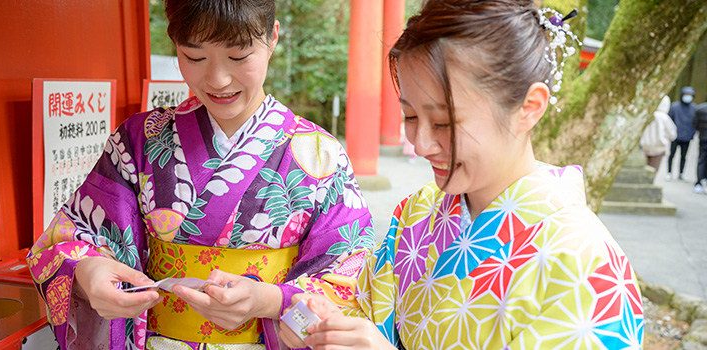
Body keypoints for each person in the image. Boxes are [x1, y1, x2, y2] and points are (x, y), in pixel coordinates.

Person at [278, 1, 644, 349]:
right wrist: (319, 318)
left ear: (528, 108)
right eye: (410, 116)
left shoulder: (585, 264)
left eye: (443, 122)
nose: (421, 144)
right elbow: (363, 299)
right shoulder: (417, 212)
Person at [27, 1, 374, 349]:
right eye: (194, 57)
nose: (217, 80)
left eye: (238, 57)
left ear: (272, 37)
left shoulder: (320, 155)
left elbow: (351, 272)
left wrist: (269, 300)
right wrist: (88, 274)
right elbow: (70, 239)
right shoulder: (139, 139)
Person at [667, 86, 697, 181]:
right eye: (686, 95)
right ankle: (669, 172)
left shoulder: (694, 108)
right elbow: (669, 120)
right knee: (672, 154)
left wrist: (692, 133)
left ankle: (681, 173)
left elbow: (696, 123)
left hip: (687, 136)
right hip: (675, 136)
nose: (688, 97)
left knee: (684, 156)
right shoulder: (674, 107)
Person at [640, 95, 677, 173]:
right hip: (658, 148)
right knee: (652, 172)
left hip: (644, 147)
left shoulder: (646, 115)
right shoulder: (664, 118)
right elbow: (672, 134)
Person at [693, 98, 707, 193]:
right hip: (703, 138)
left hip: (703, 138)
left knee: (701, 160)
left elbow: (695, 124)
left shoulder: (700, 108)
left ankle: (698, 182)